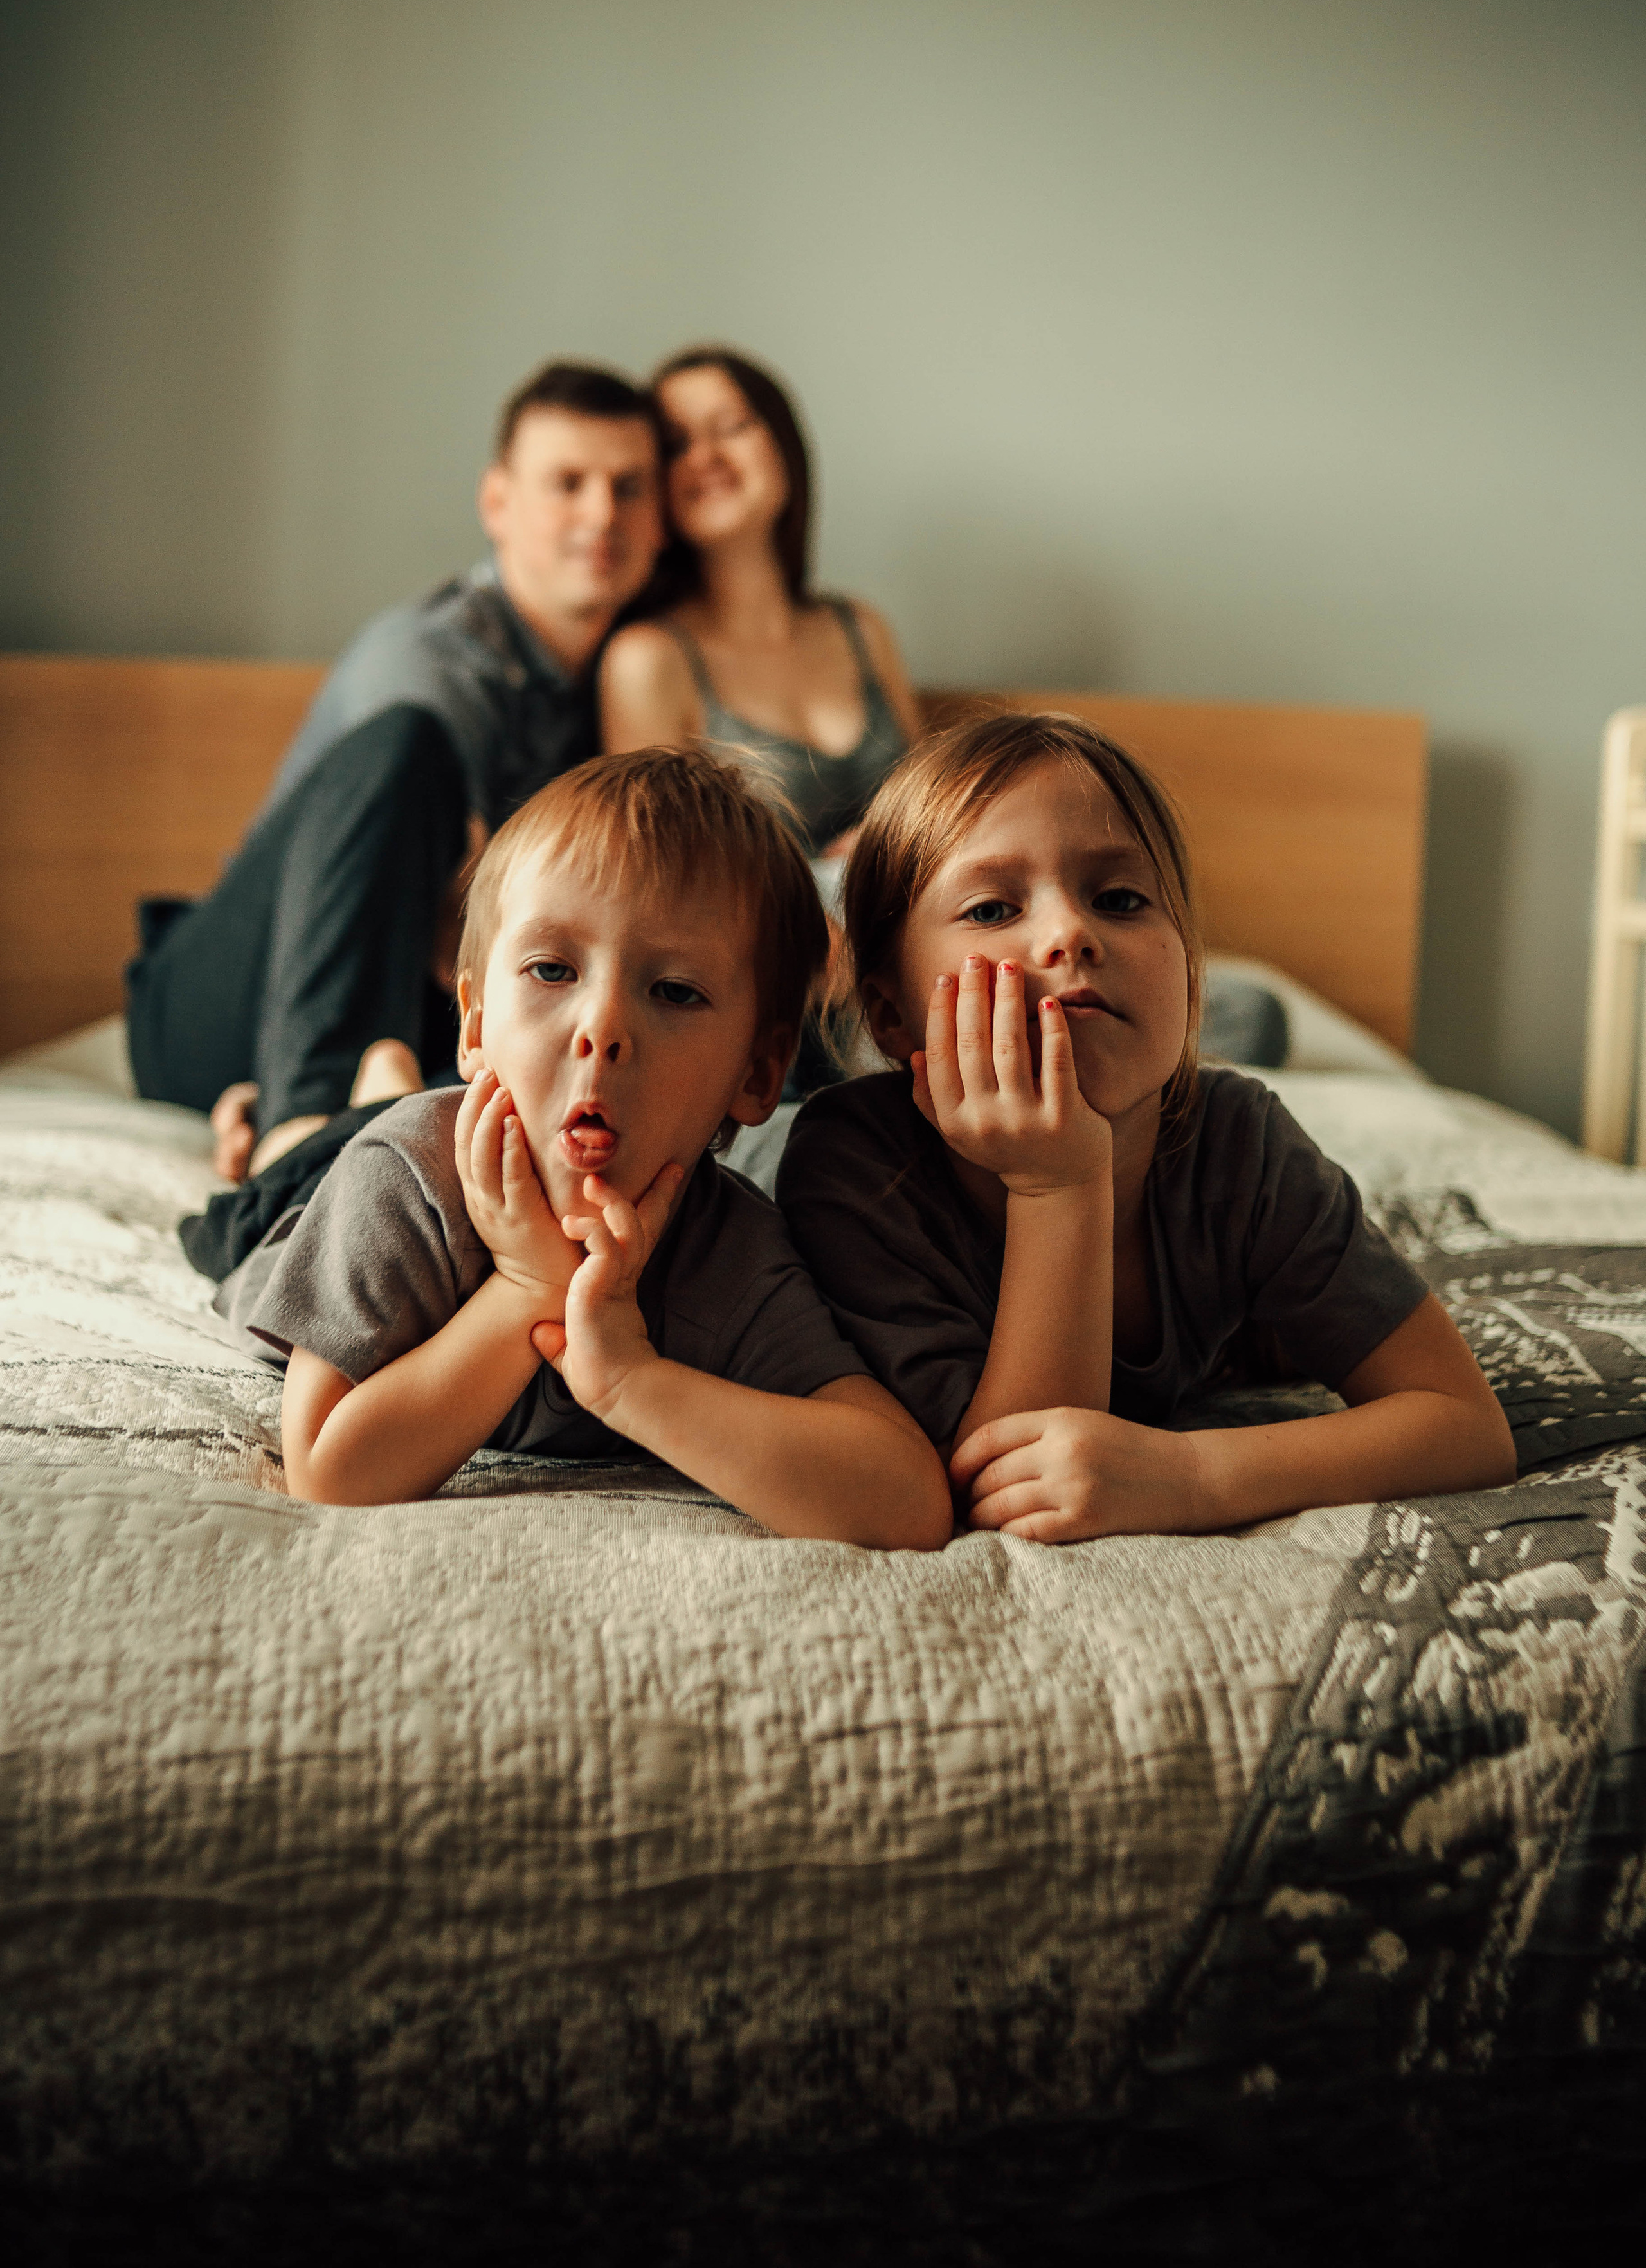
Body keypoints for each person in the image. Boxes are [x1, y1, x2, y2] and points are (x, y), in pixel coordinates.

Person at [775, 711, 1515, 1541]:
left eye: (1120, 898)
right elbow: (1006, 1485)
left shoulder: (1242, 1143)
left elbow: (1466, 1427)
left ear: (1191, 974)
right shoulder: (854, 1168)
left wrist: (1193, 1475)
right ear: (890, 1015)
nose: (1069, 933)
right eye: (991, 909)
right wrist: (1059, 1182)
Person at [212, 745, 951, 1549]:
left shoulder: (727, 1250)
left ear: (760, 1072)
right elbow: (327, 1470)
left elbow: (906, 1501)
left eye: (674, 991)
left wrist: (632, 1379)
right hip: (298, 1199)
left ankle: (382, 1076)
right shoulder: (401, 1181)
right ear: (474, 1022)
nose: (602, 1028)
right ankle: (361, 1090)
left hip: (479, 1109)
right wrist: (529, 1287)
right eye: (551, 969)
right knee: (303, 1156)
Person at [127, 360, 666, 1186]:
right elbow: (463, 913)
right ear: (498, 503)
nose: (602, 513)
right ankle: (298, 1133)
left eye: (629, 487)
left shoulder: (634, 681)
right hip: (214, 1008)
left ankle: (355, 1104)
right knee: (406, 751)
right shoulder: (431, 658)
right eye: (568, 483)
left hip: (406, 1008)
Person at [595, 348, 923, 859]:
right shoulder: (647, 661)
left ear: (784, 444)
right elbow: (661, 883)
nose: (705, 457)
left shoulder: (861, 628)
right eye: (677, 444)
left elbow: (936, 818)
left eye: (731, 426)